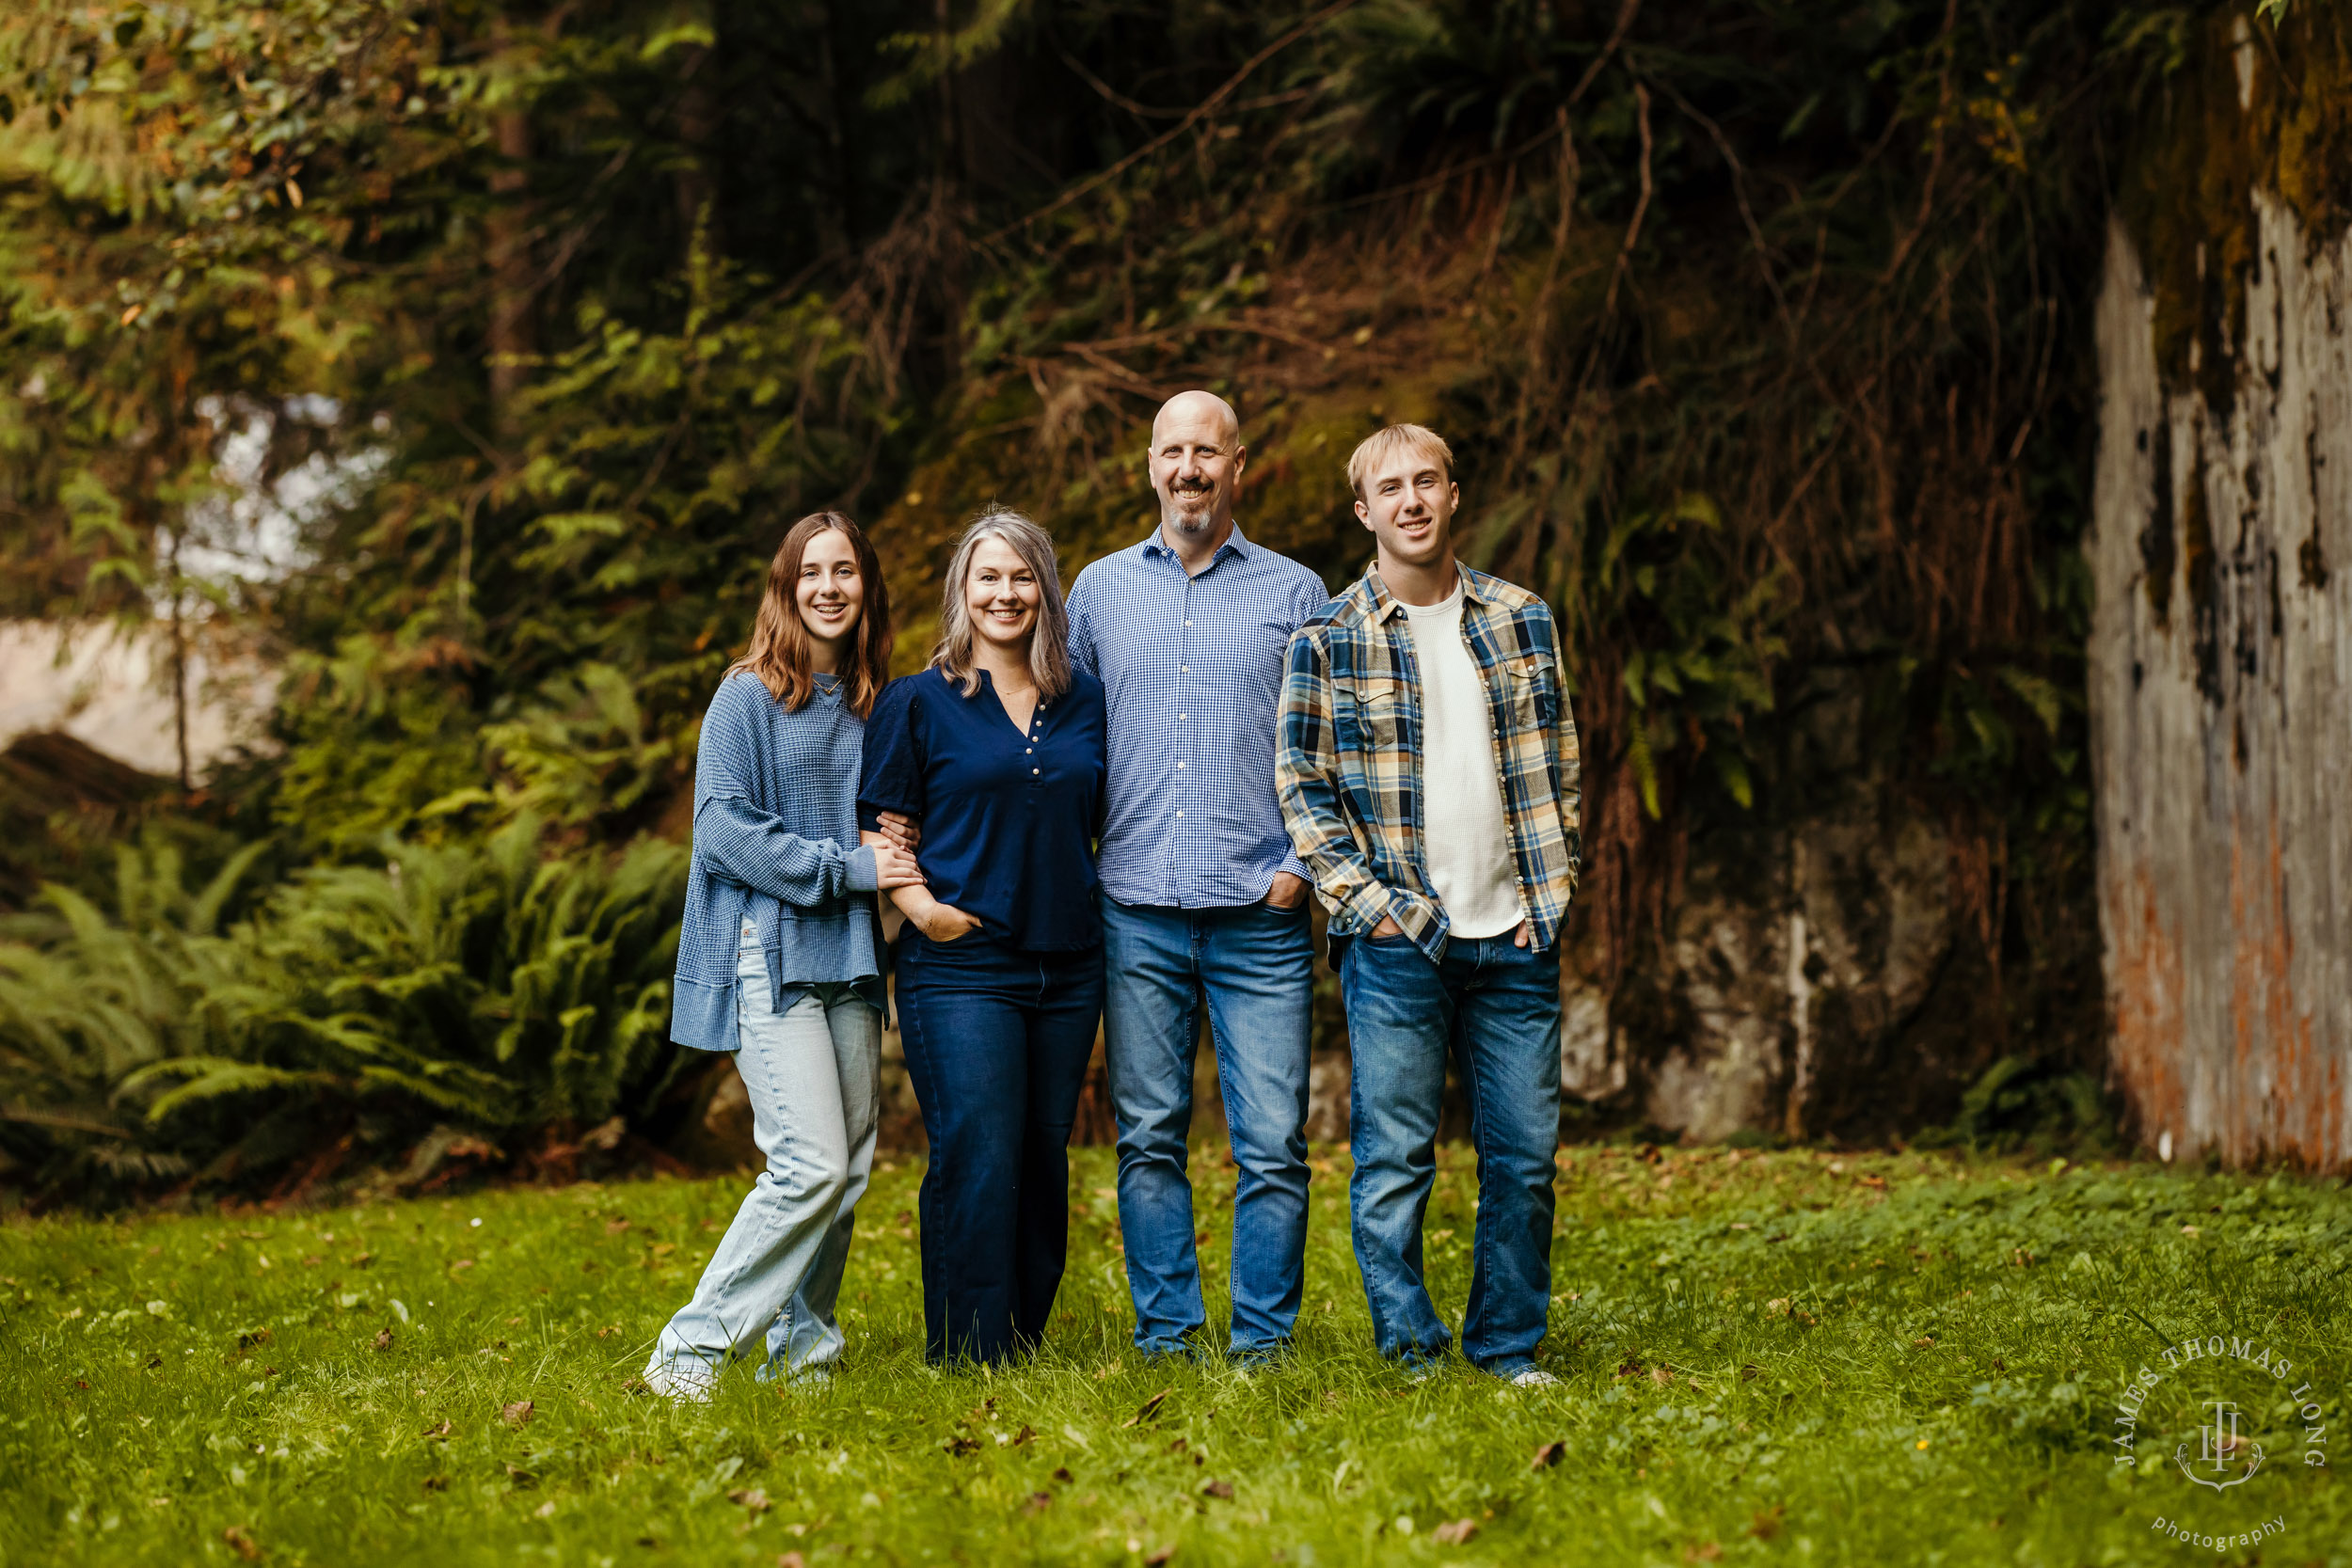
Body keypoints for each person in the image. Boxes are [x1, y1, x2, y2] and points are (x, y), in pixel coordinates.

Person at [1275, 423, 1582, 1386]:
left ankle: (1505, 1346)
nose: (1411, 500)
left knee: (1523, 1161)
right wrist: (1363, 904)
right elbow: (1301, 784)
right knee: (1394, 1162)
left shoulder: (1520, 618)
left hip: (1516, 933)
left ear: (1453, 495)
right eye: (1389, 488)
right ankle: (1411, 1347)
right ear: (1363, 512)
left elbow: (1561, 766)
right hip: (1396, 938)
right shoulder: (1325, 638)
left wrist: (1553, 888)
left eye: (1427, 482)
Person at [1065, 390, 1329, 1365]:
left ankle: (1261, 1344)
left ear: (1237, 464)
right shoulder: (1093, 592)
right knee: (1147, 1139)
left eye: (1206, 452)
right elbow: (1056, 732)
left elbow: (1330, 741)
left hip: (1260, 913)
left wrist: (1301, 867)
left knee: (1273, 1146)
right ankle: (1168, 1335)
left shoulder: (1298, 592)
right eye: (1172, 451)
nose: (1189, 469)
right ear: (1149, 465)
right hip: (1134, 906)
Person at [644, 511, 926, 1402]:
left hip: (849, 958)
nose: (829, 587)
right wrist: (846, 866)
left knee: (843, 1173)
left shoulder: (881, 701)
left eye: (845, 571)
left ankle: (802, 1353)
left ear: (867, 588)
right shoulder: (747, 694)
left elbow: (892, 822)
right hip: (767, 949)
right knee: (807, 1160)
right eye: (812, 571)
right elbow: (721, 829)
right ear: (787, 585)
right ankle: (690, 1349)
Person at [859, 511, 1109, 1366]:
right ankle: (968, 1353)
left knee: (1042, 1154)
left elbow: (1102, 817)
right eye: (988, 578)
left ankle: (1023, 1339)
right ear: (962, 593)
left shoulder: (1084, 700)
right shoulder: (918, 701)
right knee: (980, 1147)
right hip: (959, 967)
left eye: (1023, 577)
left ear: (1046, 589)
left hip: (1070, 966)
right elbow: (882, 836)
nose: (1006, 594)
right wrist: (927, 913)